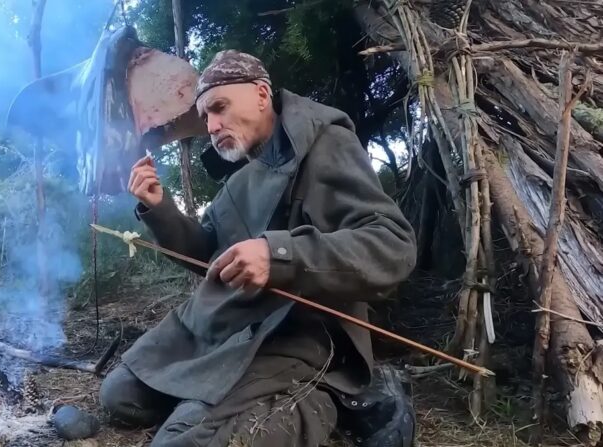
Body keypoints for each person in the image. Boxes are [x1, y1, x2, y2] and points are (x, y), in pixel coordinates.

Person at [99, 49, 418, 447]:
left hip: (299, 333)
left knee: (188, 442)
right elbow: (206, 253)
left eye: (220, 107)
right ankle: (213, 399)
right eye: (205, 116)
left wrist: (278, 255)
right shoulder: (241, 179)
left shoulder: (326, 144)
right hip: (232, 324)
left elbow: (392, 244)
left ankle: (317, 399)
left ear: (262, 94)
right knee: (119, 396)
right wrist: (160, 208)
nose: (212, 126)